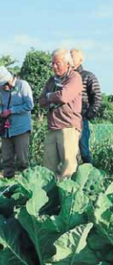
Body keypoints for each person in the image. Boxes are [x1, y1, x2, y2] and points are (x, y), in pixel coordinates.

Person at [39, 49, 83, 179]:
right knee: (48, 167)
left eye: (57, 63)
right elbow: (41, 101)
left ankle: (66, 194)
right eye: (52, 63)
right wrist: (52, 97)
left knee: (68, 166)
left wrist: (49, 96)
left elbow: (64, 96)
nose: (54, 66)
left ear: (68, 63)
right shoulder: (51, 81)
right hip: (52, 127)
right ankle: (51, 196)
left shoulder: (74, 77)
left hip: (68, 127)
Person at [0, 66, 34, 178]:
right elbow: (3, 105)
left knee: (22, 160)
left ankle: (27, 183)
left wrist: (11, 111)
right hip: (6, 129)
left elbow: (29, 105)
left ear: (8, 80)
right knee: (7, 159)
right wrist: (0, 113)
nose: (1, 87)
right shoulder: (2, 89)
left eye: (2, 84)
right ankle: (8, 185)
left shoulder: (22, 85)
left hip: (21, 128)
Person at [70, 49, 102, 164]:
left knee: (83, 150)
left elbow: (97, 97)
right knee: (69, 152)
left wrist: (88, 114)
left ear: (80, 60)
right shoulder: (65, 77)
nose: (70, 58)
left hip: (81, 118)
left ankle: (90, 174)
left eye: (72, 56)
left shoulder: (88, 76)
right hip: (67, 119)